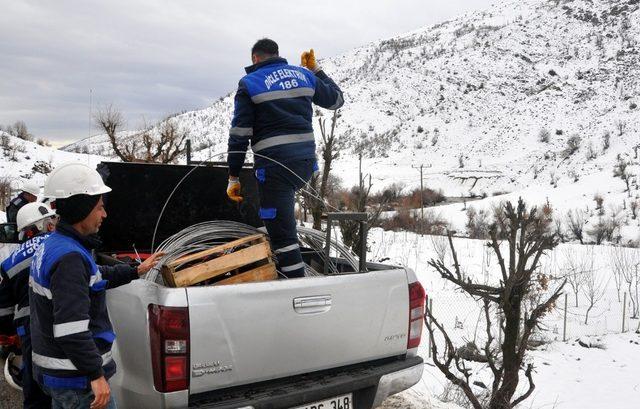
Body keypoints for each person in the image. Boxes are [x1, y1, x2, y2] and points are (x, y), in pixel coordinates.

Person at [29, 163, 163, 409]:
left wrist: (135, 270)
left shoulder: (56, 244)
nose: (104, 215)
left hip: (60, 375)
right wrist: (96, 375)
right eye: (100, 207)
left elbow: (91, 276)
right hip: (77, 380)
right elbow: (70, 330)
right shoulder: (70, 257)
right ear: (83, 209)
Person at [226, 38, 344, 278]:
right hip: (305, 166)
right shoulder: (304, 76)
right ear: (278, 54)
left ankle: (296, 289)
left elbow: (240, 134)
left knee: (282, 237)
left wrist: (233, 176)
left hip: (275, 169)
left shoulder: (250, 83)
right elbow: (337, 100)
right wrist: (316, 70)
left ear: (255, 58)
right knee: (279, 218)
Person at [0, 202, 57, 408]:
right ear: (43, 225)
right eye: (51, 221)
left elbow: (4, 311)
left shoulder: (10, 262)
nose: (54, 224)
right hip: (67, 325)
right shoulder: (63, 243)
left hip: (30, 332)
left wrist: (10, 333)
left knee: (35, 392)